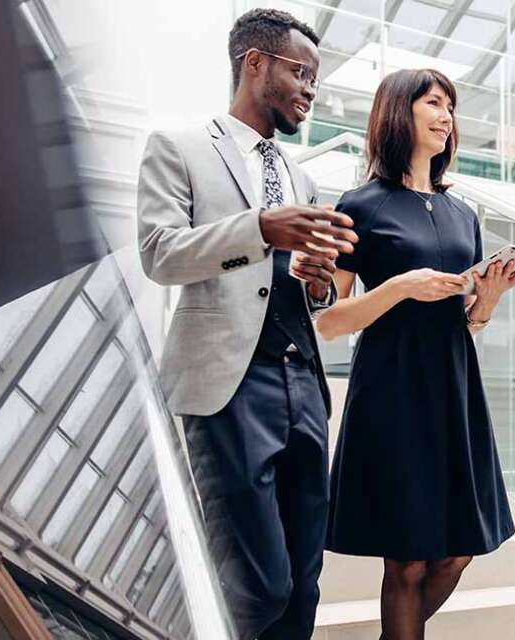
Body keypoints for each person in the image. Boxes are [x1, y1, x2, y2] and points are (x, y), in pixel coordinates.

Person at [135, 9, 360, 640]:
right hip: (228, 388)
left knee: (303, 581)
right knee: (257, 585)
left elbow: (301, 293)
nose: (310, 90)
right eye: (301, 73)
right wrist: (261, 230)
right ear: (254, 63)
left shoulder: (302, 175)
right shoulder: (176, 148)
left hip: (303, 388)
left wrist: (316, 277)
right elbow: (159, 253)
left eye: (315, 78)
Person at [314, 68, 515, 640]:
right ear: (398, 112)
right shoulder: (359, 205)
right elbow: (327, 322)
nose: (446, 115)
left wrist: (488, 300)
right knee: (405, 558)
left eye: (450, 106)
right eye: (433, 102)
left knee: (457, 552)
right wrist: (398, 288)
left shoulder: (464, 216)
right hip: (392, 389)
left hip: (454, 389)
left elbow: (466, 323)